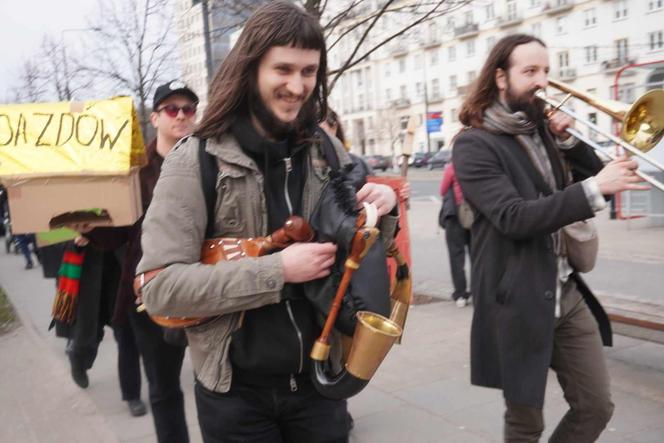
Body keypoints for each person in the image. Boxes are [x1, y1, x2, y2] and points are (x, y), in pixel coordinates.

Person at [135, 2, 399, 442]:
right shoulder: (195, 160)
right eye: (284, 69)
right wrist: (277, 272)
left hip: (320, 384)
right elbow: (160, 291)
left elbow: (358, 242)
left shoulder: (326, 149)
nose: (298, 85)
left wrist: (379, 210)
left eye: (309, 71)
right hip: (236, 397)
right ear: (251, 66)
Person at [453, 34, 649, 442]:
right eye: (530, 71)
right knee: (526, 423)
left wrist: (568, 139)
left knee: (596, 407)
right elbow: (513, 217)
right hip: (516, 297)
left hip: (564, 290)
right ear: (500, 77)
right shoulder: (474, 144)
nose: (543, 81)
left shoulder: (540, 128)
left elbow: (587, 173)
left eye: (546, 71)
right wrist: (595, 188)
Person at [72, 80, 199, 441]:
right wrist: (90, 227)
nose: (181, 116)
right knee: (163, 388)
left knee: (216, 383)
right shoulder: (132, 172)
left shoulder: (209, 162)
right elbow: (118, 234)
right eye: (172, 109)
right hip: (151, 295)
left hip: (206, 288)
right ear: (155, 117)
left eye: (188, 109)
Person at [439, 161, 471, 307]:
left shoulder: (452, 167)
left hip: (455, 216)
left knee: (456, 257)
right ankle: (479, 293)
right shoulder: (478, 164)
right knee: (477, 256)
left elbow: (443, 190)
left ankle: (460, 295)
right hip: (475, 216)